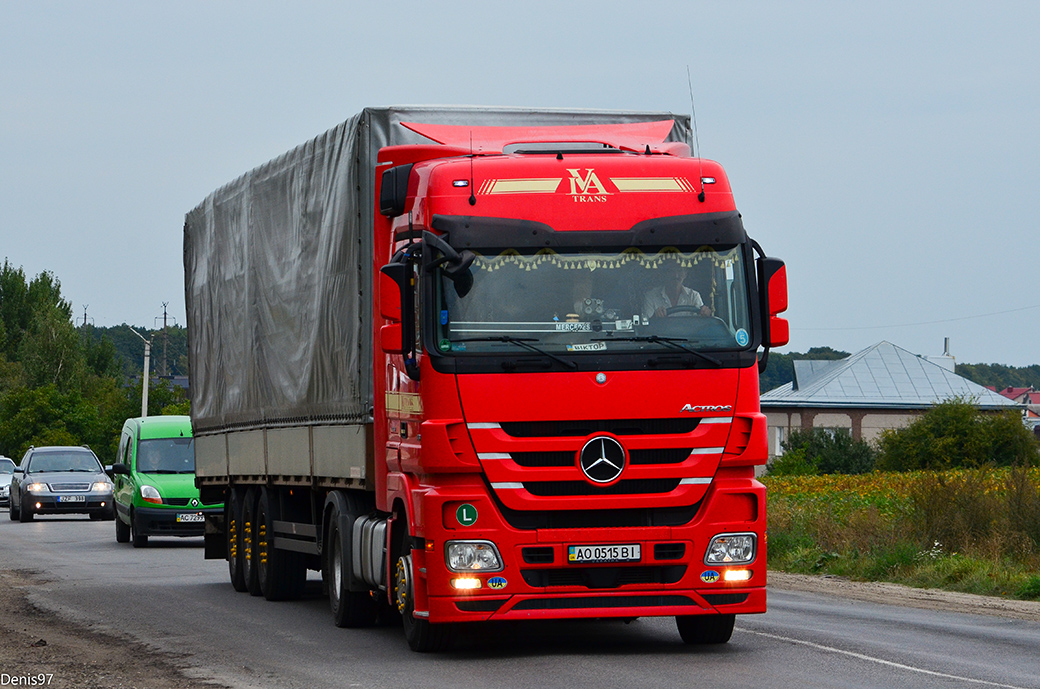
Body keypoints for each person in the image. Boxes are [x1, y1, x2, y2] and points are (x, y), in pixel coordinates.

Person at [641, 259, 711, 320]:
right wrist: (655, 317)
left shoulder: (694, 296)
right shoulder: (651, 297)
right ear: (664, 274)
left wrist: (705, 314)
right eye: (671, 271)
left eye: (680, 271)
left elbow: (700, 325)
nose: (676, 275)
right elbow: (646, 326)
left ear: (685, 274)